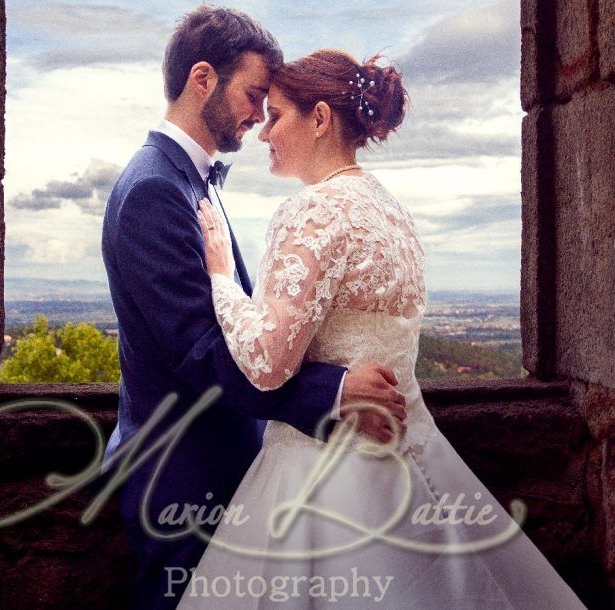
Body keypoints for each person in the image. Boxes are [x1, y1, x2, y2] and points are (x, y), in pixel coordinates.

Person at [175, 48, 588, 609]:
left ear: (319, 119)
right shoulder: (392, 212)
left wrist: (221, 276)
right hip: (414, 457)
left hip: (322, 479)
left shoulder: (310, 211)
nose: (264, 132)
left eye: (276, 116)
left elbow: (267, 365)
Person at [101, 8, 408, 610]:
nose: (260, 117)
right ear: (203, 79)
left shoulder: (192, 180)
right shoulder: (154, 189)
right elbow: (198, 352)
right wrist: (335, 391)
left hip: (223, 462)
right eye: (254, 94)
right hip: (182, 472)